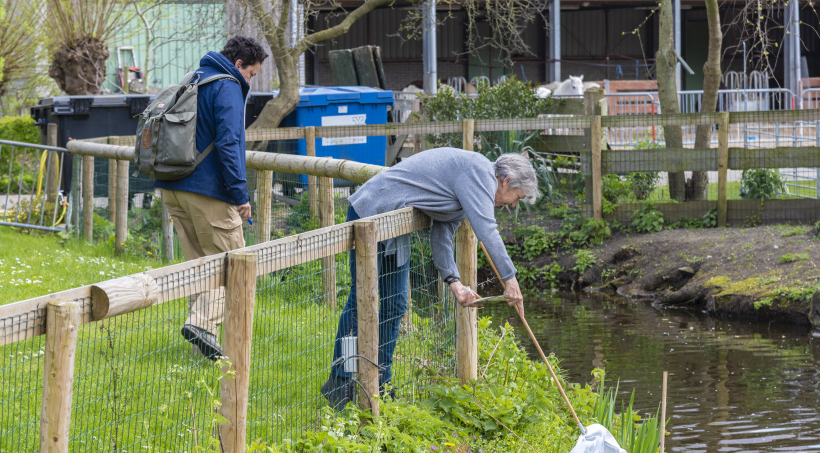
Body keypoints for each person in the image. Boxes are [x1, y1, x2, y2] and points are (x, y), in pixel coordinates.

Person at [321, 148, 538, 409]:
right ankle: (340, 383)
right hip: (371, 213)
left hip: (394, 225)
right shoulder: (480, 174)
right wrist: (510, 280)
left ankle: (380, 384)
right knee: (361, 303)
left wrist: (454, 283)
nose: (513, 205)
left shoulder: (473, 183)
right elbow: (487, 230)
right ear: (505, 180)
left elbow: (443, 230)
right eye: (517, 197)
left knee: (395, 305)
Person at [154, 36, 267, 359]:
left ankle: (202, 342)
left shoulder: (193, 79)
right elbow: (230, 143)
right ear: (239, 65)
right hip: (208, 191)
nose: (250, 81)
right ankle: (203, 324)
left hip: (174, 186)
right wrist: (240, 195)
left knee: (199, 266)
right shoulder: (227, 86)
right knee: (234, 265)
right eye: (252, 74)